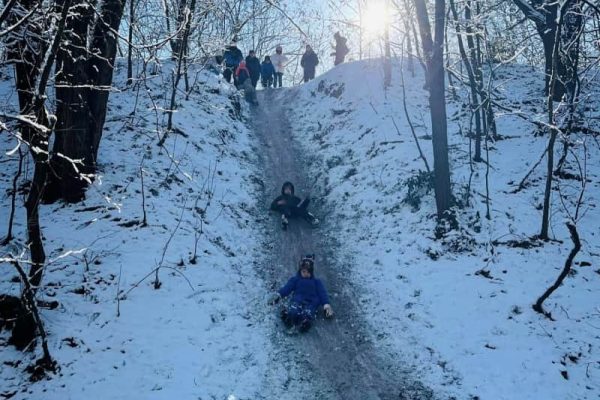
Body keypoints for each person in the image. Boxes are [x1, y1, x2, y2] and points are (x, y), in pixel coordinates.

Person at [270, 255, 334, 333]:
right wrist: (279, 295)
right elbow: (287, 288)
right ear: (300, 270)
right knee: (294, 310)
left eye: (308, 272)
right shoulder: (296, 280)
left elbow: (322, 293)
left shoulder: (316, 282)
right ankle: (288, 317)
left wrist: (326, 305)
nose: (306, 274)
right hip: (298, 299)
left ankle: (304, 324)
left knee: (308, 313)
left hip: (311, 302)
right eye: (303, 271)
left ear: (311, 272)